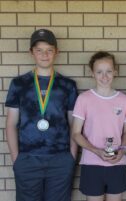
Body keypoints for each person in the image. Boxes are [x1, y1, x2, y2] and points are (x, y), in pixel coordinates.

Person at [5, 29, 78, 201]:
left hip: (60, 159)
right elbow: (10, 124)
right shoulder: (18, 84)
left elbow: (74, 124)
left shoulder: (67, 85)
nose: (44, 55)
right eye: (39, 50)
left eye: (49, 50)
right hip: (28, 159)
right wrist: (17, 160)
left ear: (56, 52)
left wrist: (71, 158)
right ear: (31, 53)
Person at [72, 51, 126, 201]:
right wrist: (96, 151)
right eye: (99, 72)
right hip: (92, 163)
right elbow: (76, 134)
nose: (104, 76)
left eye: (109, 71)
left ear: (115, 72)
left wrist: (123, 150)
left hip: (117, 163)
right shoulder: (84, 99)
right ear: (92, 73)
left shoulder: (124, 100)